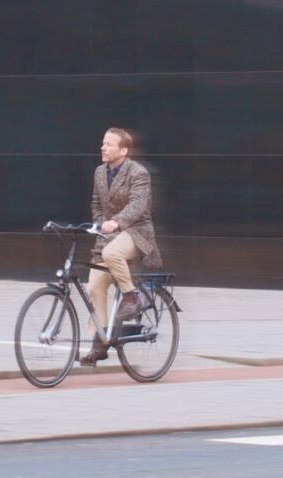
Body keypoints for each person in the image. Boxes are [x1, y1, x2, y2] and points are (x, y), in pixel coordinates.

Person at [81, 128, 162, 366]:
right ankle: (101, 342)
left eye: (109, 144)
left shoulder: (138, 172)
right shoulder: (99, 172)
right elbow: (96, 203)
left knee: (111, 253)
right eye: (102, 143)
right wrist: (99, 223)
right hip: (108, 235)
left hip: (136, 233)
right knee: (94, 287)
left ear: (124, 150)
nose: (103, 147)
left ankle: (131, 297)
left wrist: (117, 222)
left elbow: (138, 205)